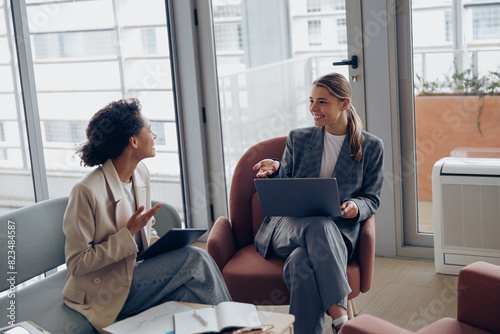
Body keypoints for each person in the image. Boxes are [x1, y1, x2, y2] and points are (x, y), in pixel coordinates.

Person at [62, 99, 231, 333]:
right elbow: (77, 264)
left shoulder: (140, 173)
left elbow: (146, 233)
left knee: (189, 292)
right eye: (150, 131)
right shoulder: (86, 191)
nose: (155, 137)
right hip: (102, 290)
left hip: (133, 271)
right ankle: (238, 325)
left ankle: (230, 325)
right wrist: (127, 234)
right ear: (133, 141)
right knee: (195, 259)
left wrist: (164, 246)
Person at [253, 73, 384, 334]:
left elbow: (372, 198)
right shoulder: (299, 138)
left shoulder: (371, 147)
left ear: (344, 104)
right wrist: (278, 168)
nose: (313, 109)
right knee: (318, 224)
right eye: (311, 101)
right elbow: (288, 179)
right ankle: (341, 319)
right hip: (286, 228)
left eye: (322, 102)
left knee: (301, 263)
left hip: (336, 235)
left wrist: (357, 207)